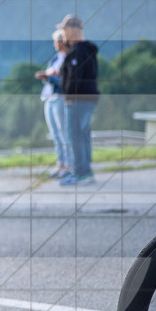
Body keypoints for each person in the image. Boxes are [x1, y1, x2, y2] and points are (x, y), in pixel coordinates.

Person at [58, 14, 99, 186]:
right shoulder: (87, 49)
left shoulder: (77, 52)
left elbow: (74, 77)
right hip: (88, 99)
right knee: (83, 135)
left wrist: (69, 97)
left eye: (64, 30)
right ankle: (85, 171)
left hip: (78, 100)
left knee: (76, 136)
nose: (63, 34)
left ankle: (81, 172)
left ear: (72, 30)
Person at [35, 30, 70, 178]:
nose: (55, 44)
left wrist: (50, 78)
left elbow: (65, 81)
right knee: (55, 133)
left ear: (63, 42)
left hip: (60, 97)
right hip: (49, 97)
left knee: (63, 133)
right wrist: (47, 77)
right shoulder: (56, 58)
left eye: (57, 41)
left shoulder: (68, 59)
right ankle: (60, 163)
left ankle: (69, 165)